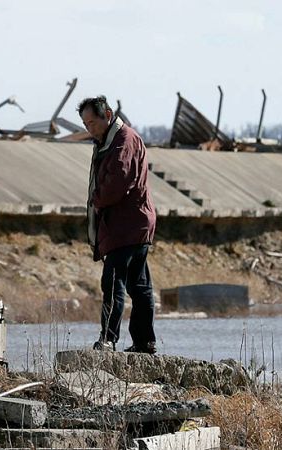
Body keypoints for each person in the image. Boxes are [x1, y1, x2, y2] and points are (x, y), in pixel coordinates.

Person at [79, 96, 157, 354]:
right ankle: (145, 342)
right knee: (140, 285)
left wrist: (96, 199)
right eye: (86, 124)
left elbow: (117, 183)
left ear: (108, 115)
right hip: (135, 224)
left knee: (113, 282)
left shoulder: (123, 141)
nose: (90, 129)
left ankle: (108, 339)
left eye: (93, 122)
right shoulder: (113, 139)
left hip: (126, 225)